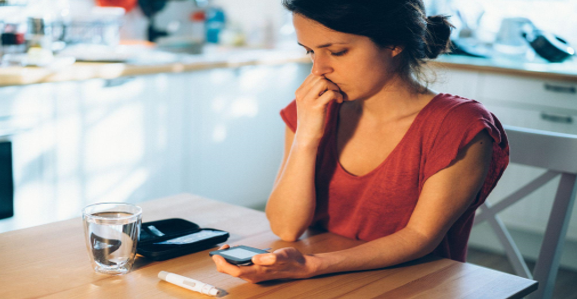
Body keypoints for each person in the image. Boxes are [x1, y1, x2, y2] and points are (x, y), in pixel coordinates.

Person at [212, 0, 509, 283]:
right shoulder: (315, 111)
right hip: (325, 283)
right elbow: (286, 228)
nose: (318, 69)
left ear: (394, 42)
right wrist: (306, 137)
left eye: (337, 51)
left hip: (415, 284)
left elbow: (419, 237)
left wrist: (313, 265)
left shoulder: (460, 126)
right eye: (310, 51)